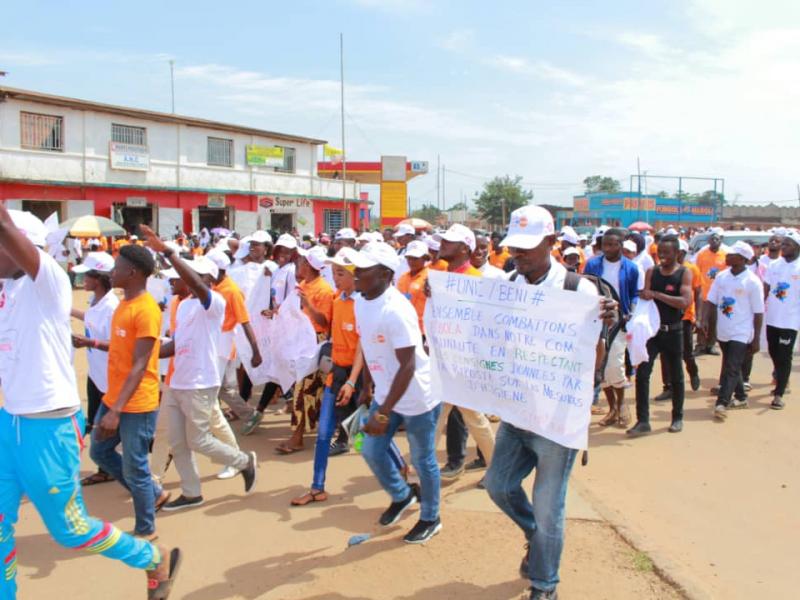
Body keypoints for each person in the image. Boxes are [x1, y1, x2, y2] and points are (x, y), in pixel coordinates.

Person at [0, 207, 181, 599]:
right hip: (10, 421)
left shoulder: (46, 282)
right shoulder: (7, 290)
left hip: (47, 425)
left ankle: (151, 556)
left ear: (20, 249)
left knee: (71, 530)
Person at [483, 205, 616, 600]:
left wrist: (604, 323)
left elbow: (594, 350)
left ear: (551, 243)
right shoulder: (510, 283)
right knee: (498, 485)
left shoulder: (578, 290)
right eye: (514, 247)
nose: (518, 255)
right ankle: (535, 536)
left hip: (556, 419)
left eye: (527, 247)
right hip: (517, 410)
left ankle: (545, 585)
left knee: (549, 506)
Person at [139, 227, 258, 511]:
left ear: (203, 280)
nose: (173, 281)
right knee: (178, 443)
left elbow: (198, 285)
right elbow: (176, 345)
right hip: (178, 381)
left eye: (182, 276)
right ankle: (192, 493)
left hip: (201, 383)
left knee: (199, 439)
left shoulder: (213, 303)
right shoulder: (182, 307)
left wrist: (168, 253)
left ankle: (244, 461)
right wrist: (143, 352)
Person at [351, 242, 444, 543]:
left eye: (362, 270)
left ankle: (431, 517)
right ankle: (403, 495)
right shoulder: (360, 300)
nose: (356, 275)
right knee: (371, 450)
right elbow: (367, 345)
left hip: (417, 397)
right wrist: (366, 385)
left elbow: (408, 365)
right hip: (386, 392)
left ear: (383, 274)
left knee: (422, 460)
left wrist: (383, 411)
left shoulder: (396, 310)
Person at [88, 243, 171, 540]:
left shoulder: (147, 310)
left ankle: (146, 529)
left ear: (132, 272)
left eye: (117, 266)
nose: (112, 271)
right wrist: (91, 344)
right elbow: (123, 349)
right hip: (115, 397)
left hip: (135, 404)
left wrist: (116, 410)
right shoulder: (123, 304)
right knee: (99, 451)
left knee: (135, 465)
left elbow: (140, 363)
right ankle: (153, 492)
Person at [433, 224, 496, 480]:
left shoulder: (474, 280)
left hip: (463, 361)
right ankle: (496, 468)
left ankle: (420, 470)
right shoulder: (442, 276)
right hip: (444, 359)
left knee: (457, 417)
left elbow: (482, 325)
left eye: (448, 242)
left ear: (463, 248)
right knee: (463, 417)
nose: (442, 245)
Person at [627, 235, 693, 437]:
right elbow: (645, 294)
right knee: (643, 375)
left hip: (673, 330)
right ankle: (643, 420)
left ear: (677, 253)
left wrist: (656, 295)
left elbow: (684, 301)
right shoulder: (651, 272)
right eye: (659, 253)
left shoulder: (684, 273)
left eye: (667, 253)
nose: (662, 256)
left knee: (677, 376)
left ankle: (677, 417)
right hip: (652, 332)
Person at [275, 245, 334, 453]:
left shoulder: (324, 289)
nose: (297, 264)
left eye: (301, 261)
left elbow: (325, 321)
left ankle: (297, 436)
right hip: (300, 339)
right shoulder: (302, 284)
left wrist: (307, 305)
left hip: (314, 342)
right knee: (306, 389)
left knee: (303, 389)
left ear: (308, 265)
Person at [70, 252, 119, 486]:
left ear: (97, 278)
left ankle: (114, 466)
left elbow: (119, 346)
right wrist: (68, 310)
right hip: (96, 374)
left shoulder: (112, 307)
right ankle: (105, 468)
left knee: (107, 426)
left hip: (110, 377)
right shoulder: (95, 302)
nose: (82, 281)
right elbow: (90, 318)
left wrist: (88, 342)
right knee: (94, 422)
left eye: (85, 277)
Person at [583, 228, 641, 428]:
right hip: (597, 320)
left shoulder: (631, 268)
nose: (607, 248)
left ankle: (622, 403)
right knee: (601, 365)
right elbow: (585, 287)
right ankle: (612, 408)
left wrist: (630, 311)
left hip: (619, 321)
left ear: (620, 245)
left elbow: (635, 294)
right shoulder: (592, 264)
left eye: (612, 244)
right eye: (604, 244)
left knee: (615, 364)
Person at [703, 242, 764, 420]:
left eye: (731, 255)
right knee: (732, 364)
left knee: (731, 366)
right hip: (723, 329)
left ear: (743, 259)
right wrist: (704, 320)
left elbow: (759, 312)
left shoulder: (752, 282)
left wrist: (757, 338)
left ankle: (722, 402)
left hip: (742, 331)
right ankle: (742, 398)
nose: (727, 257)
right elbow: (711, 300)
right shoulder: (722, 277)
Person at [205, 249, 263, 429]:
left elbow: (245, 322)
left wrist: (255, 352)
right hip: (214, 341)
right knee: (219, 387)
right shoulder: (214, 287)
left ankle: (214, 424)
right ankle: (248, 414)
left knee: (215, 386)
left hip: (223, 343)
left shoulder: (232, 291)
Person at [655, 239, 702, 399]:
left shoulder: (690, 269)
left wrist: (698, 316)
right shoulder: (661, 270)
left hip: (686, 317)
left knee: (687, 352)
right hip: (666, 319)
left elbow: (698, 293)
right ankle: (668, 386)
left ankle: (693, 373)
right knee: (665, 356)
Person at [763, 231, 800, 410]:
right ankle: (781, 377)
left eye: (787, 244)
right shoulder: (774, 265)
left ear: (797, 247)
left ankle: (779, 393)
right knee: (773, 351)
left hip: (790, 321)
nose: (782, 247)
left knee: (785, 356)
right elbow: (766, 287)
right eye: (782, 244)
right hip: (772, 318)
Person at [694, 231, 728, 356]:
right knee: (702, 320)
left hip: (718, 295)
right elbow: (697, 272)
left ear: (721, 241)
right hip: (704, 293)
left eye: (717, 239)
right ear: (708, 241)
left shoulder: (725, 255)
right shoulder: (702, 254)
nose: (714, 241)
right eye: (712, 239)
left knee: (714, 321)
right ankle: (700, 345)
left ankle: (711, 345)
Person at [396, 240, 430, 335]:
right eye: (409, 258)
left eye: (415, 258)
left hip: (423, 331)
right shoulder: (403, 277)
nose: (411, 261)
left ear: (425, 258)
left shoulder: (430, 278)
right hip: (404, 328)